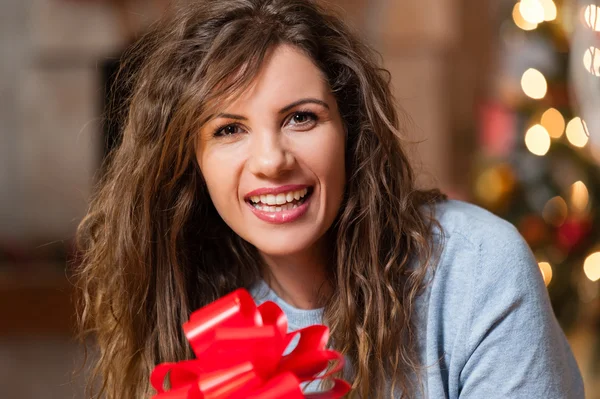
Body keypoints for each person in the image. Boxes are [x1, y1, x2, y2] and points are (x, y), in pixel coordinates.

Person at [74, 0, 584, 398]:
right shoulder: (193, 294)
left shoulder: (476, 268)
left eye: (301, 117)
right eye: (229, 129)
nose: (271, 160)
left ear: (350, 132)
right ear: (193, 162)